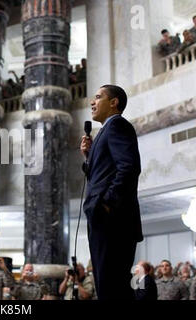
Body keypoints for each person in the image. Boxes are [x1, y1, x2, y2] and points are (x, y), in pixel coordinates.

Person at [80, 84, 143, 300]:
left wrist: (107, 204)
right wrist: (88, 157)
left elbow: (129, 167)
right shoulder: (104, 131)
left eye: (98, 97)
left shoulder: (117, 126)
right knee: (107, 285)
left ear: (114, 102)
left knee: (113, 287)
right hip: (103, 218)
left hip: (112, 219)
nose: (92, 102)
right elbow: (101, 175)